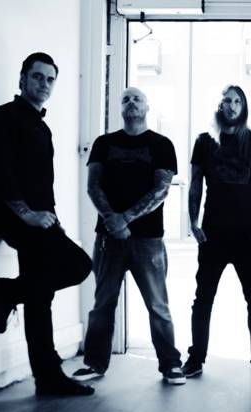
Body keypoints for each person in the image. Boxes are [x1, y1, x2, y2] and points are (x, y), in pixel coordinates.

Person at [0, 52, 94, 396]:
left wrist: (53, 220)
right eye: (37, 76)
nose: (44, 84)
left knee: (39, 293)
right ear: (22, 79)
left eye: (50, 79)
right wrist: (26, 214)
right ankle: (7, 292)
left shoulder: (41, 126)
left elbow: (42, 184)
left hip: (41, 219)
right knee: (79, 265)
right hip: (14, 216)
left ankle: (47, 377)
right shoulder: (4, 117)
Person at [72, 87, 185, 385]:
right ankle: (94, 363)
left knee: (158, 305)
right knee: (102, 304)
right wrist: (112, 219)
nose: (131, 102)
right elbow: (93, 186)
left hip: (148, 240)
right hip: (108, 238)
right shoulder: (104, 143)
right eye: (126, 99)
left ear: (147, 107)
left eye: (137, 98)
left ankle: (171, 365)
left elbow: (161, 190)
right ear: (120, 108)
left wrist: (125, 218)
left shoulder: (162, 144)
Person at [181, 85, 251, 379]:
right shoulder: (204, 141)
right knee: (203, 297)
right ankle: (196, 358)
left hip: (248, 233)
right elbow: (195, 183)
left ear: (244, 106)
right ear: (220, 105)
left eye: (238, 101)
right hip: (213, 233)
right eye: (227, 100)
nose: (232, 105)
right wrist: (193, 222)